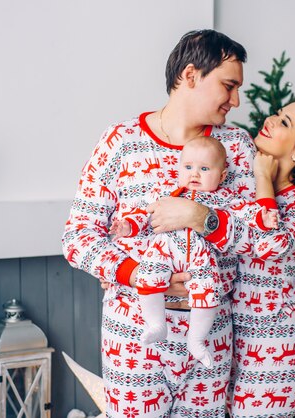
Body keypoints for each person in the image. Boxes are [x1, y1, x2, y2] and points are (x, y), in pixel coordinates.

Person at [62, 29, 256, 417]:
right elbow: (78, 237)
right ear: (189, 76)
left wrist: (200, 216)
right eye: (228, 85)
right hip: (133, 340)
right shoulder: (120, 142)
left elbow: (257, 239)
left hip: (211, 342)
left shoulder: (237, 147)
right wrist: (136, 273)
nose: (235, 100)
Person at [205, 100, 295, 417]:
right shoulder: (242, 189)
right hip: (230, 344)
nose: (271, 119)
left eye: (285, 122)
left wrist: (263, 179)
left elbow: (270, 243)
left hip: (275, 354)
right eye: (278, 113)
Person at [109, 136, 277, 368]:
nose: (194, 174)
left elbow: (248, 213)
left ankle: (196, 340)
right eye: (188, 167)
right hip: (164, 248)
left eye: (204, 168)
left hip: (201, 255)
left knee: (208, 289)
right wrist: (128, 226)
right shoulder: (167, 193)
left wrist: (264, 217)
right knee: (148, 275)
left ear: (222, 175)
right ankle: (156, 324)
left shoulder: (225, 198)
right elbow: (144, 214)